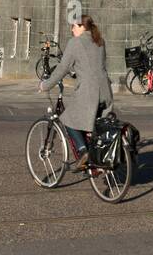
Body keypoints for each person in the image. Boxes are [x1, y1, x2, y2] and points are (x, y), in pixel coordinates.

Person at [38, 14, 114, 171]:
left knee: (68, 118)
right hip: (105, 91)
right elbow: (94, 64)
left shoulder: (76, 42)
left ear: (82, 27)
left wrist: (46, 85)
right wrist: (76, 72)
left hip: (89, 92)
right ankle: (96, 161)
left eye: (74, 26)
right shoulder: (100, 41)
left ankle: (83, 151)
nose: (72, 30)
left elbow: (62, 68)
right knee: (95, 125)